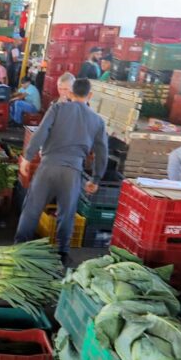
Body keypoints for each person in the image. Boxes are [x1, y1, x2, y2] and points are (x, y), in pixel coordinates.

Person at [14, 77, 109, 262]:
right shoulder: (97, 121)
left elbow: (40, 133)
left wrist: (27, 157)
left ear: (71, 93)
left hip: (48, 167)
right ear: (90, 95)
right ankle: (62, 253)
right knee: (67, 213)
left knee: (32, 210)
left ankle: (19, 249)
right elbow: (102, 152)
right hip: (72, 172)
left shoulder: (57, 108)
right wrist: (96, 179)